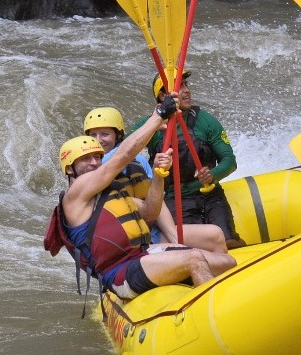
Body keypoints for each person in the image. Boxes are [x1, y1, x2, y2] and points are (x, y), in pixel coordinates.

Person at [48, 95, 237, 302]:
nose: (94, 163)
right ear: (69, 168)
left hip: (141, 254)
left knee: (226, 262)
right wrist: (158, 117)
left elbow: (150, 211)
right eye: (85, 159)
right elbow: (121, 157)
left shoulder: (112, 194)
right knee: (194, 258)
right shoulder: (75, 194)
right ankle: (210, 313)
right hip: (120, 272)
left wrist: (158, 174)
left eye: (97, 157)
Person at [83, 106, 227, 253]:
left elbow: (158, 204)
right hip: (124, 243)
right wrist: (154, 123)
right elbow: (121, 156)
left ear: (118, 135)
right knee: (186, 254)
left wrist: (176, 239)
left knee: (215, 235)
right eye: (92, 135)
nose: (98, 140)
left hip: (151, 234)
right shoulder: (90, 170)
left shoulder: (138, 161)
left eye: (104, 134)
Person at [141, 71, 245, 249]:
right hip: (174, 199)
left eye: (186, 84)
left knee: (228, 242)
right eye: (179, 86)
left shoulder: (205, 121)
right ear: (163, 96)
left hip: (209, 195)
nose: (187, 91)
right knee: (193, 249)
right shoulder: (150, 126)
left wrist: (212, 175)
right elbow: (126, 149)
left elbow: (229, 160)